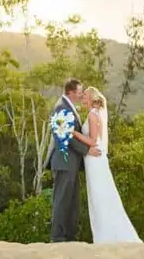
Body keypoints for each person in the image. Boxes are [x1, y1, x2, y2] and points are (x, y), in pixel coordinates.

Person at [70, 86, 142, 243]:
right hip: (93, 161)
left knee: (100, 196)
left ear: (90, 98)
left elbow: (93, 141)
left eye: (85, 96)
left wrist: (74, 133)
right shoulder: (93, 114)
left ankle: (106, 235)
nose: (82, 98)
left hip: (95, 162)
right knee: (98, 195)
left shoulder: (92, 115)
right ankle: (103, 233)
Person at [46, 79, 102, 242]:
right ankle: (58, 237)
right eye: (79, 92)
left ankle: (69, 236)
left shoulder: (68, 107)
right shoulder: (61, 108)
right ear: (70, 92)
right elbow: (64, 135)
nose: (81, 95)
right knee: (62, 200)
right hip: (64, 162)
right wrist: (87, 150)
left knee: (72, 202)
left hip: (72, 163)